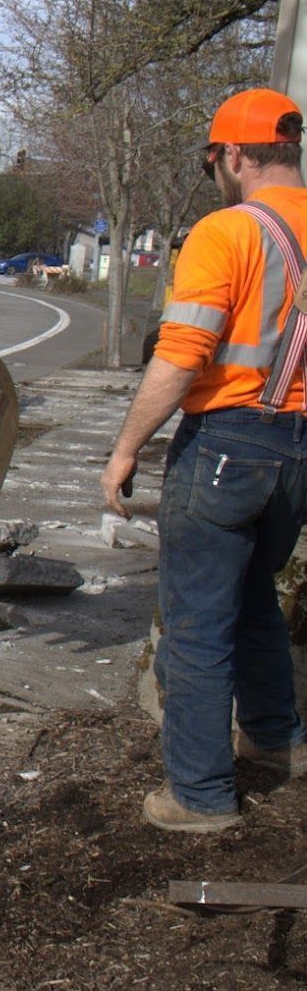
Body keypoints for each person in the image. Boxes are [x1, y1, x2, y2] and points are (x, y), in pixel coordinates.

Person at [100, 87, 307, 833]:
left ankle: (199, 794)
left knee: (196, 622)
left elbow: (181, 358)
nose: (214, 172)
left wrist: (125, 450)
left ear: (236, 156)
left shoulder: (226, 234)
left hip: (226, 445)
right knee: (255, 596)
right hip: (297, 450)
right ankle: (275, 738)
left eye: (213, 159)